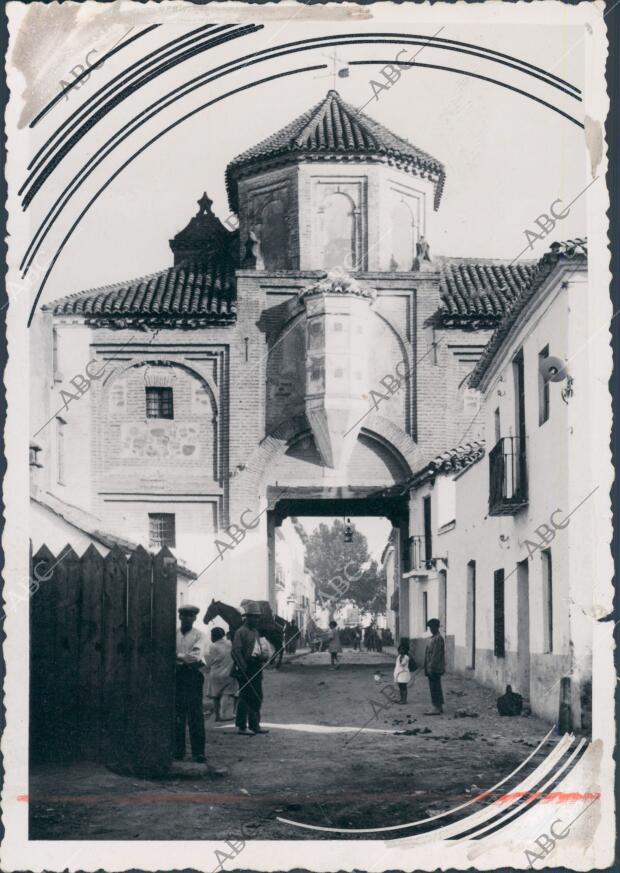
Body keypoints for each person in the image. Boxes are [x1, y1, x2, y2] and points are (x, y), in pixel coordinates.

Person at [232, 602, 270, 735]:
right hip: (245, 669)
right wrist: (244, 668)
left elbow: (258, 649)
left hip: (256, 668)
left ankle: (255, 725)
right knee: (245, 697)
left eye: (258, 617)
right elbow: (236, 652)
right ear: (247, 617)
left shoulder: (255, 632)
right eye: (254, 617)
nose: (256, 619)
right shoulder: (240, 632)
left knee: (257, 696)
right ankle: (242, 727)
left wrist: (264, 656)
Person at [175, 605, 206, 762]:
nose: (187, 618)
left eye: (190, 615)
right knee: (177, 714)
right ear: (180, 617)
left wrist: (176, 657)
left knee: (195, 715)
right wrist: (184, 658)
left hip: (192, 676)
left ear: (195, 618)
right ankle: (177, 750)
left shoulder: (200, 635)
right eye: (184, 615)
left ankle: (198, 752)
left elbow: (195, 657)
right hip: (176, 677)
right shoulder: (173, 634)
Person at [205, 627, 238, 722]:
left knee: (215, 695)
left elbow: (208, 663)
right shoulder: (230, 644)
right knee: (226, 693)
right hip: (228, 673)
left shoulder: (212, 646)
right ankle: (223, 714)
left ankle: (217, 717)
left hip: (214, 674)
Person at [424, 618, 446, 715]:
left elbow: (436, 655)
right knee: (435, 686)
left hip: (434, 667)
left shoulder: (438, 638)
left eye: (433, 627)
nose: (431, 629)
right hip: (431, 666)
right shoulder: (433, 638)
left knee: (435, 687)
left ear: (437, 627)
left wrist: (431, 667)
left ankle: (436, 707)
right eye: (430, 627)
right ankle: (438, 706)